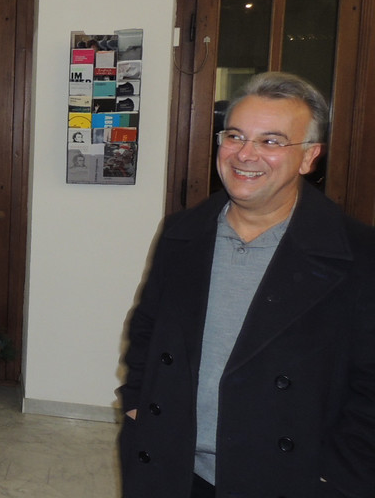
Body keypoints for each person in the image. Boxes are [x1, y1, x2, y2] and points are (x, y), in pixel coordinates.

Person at [119, 71, 375, 497]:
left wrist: (338, 476)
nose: (245, 154)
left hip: (286, 479)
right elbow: (146, 329)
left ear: (309, 157)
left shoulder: (358, 255)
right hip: (171, 465)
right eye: (235, 136)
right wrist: (135, 404)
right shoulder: (182, 233)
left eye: (271, 141)